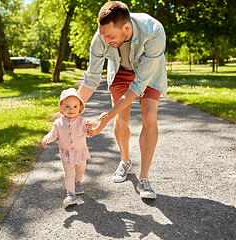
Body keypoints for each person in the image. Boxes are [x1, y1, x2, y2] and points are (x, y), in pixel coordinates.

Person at [80, 1, 168, 199]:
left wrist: (106, 116)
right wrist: (70, 109)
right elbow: (91, 78)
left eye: (110, 36)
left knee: (149, 115)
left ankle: (144, 178)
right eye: (103, 35)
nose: (105, 40)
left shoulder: (154, 31)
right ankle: (125, 161)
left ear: (126, 28)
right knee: (121, 119)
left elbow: (138, 86)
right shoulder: (101, 38)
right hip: (121, 70)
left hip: (149, 72)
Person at [43, 88, 93, 206]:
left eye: (75, 106)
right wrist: (46, 138)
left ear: (80, 107)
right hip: (66, 153)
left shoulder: (82, 121)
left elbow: (87, 133)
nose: (72, 110)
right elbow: (53, 134)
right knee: (69, 173)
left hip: (80, 151)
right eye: (68, 107)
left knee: (80, 169)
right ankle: (70, 194)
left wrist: (89, 127)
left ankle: (77, 183)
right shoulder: (58, 123)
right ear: (61, 108)